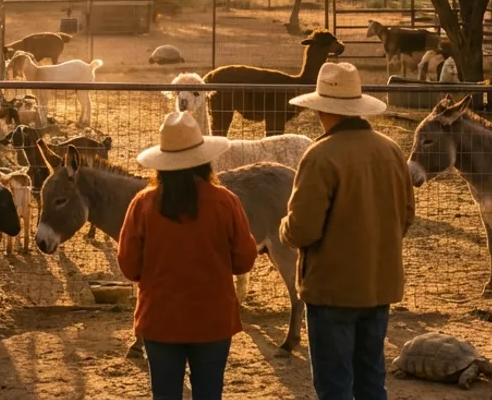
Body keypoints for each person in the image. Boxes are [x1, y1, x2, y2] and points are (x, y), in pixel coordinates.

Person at [280, 61, 415, 400]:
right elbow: (407, 215)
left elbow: (302, 230)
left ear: (323, 109)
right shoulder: (391, 150)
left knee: (334, 384)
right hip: (379, 283)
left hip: (332, 290)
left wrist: (282, 228)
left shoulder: (320, 156)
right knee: (371, 379)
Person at [117, 110, 258, 400]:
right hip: (213, 320)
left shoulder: (143, 204)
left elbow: (129, 266)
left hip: (160, 319)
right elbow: (245, 259)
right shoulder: (225, 201)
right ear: (204, 158)